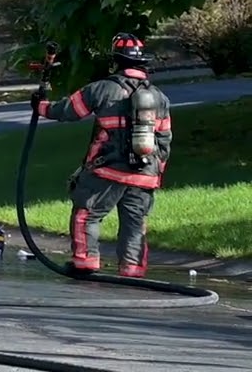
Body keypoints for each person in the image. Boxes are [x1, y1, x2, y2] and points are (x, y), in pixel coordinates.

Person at [33, 33, 173, 278]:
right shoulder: (160, 98)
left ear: (117, 61)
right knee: (135, 223)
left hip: (107, 169)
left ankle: (85, 263)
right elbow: (164, 139)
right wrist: (156, 171)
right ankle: (132, 271)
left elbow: (68, 110)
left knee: (87, 214)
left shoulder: (103, 88)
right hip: (145, 175)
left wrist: (40, 106)